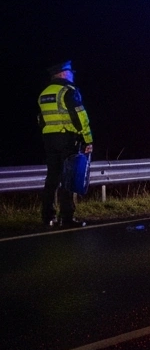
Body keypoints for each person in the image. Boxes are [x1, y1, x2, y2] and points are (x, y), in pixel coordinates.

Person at [37, 61, 94, 228]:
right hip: (67, 138)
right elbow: (80, 117)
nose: (72, 75)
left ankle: (47, 217)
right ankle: (67, 218)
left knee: (52, 178)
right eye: (70, 72)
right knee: (68, 178)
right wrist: (87, 139)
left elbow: (41, 119)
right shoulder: (68, 91)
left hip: (49, 140)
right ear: (62, 73)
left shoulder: (44, 93)